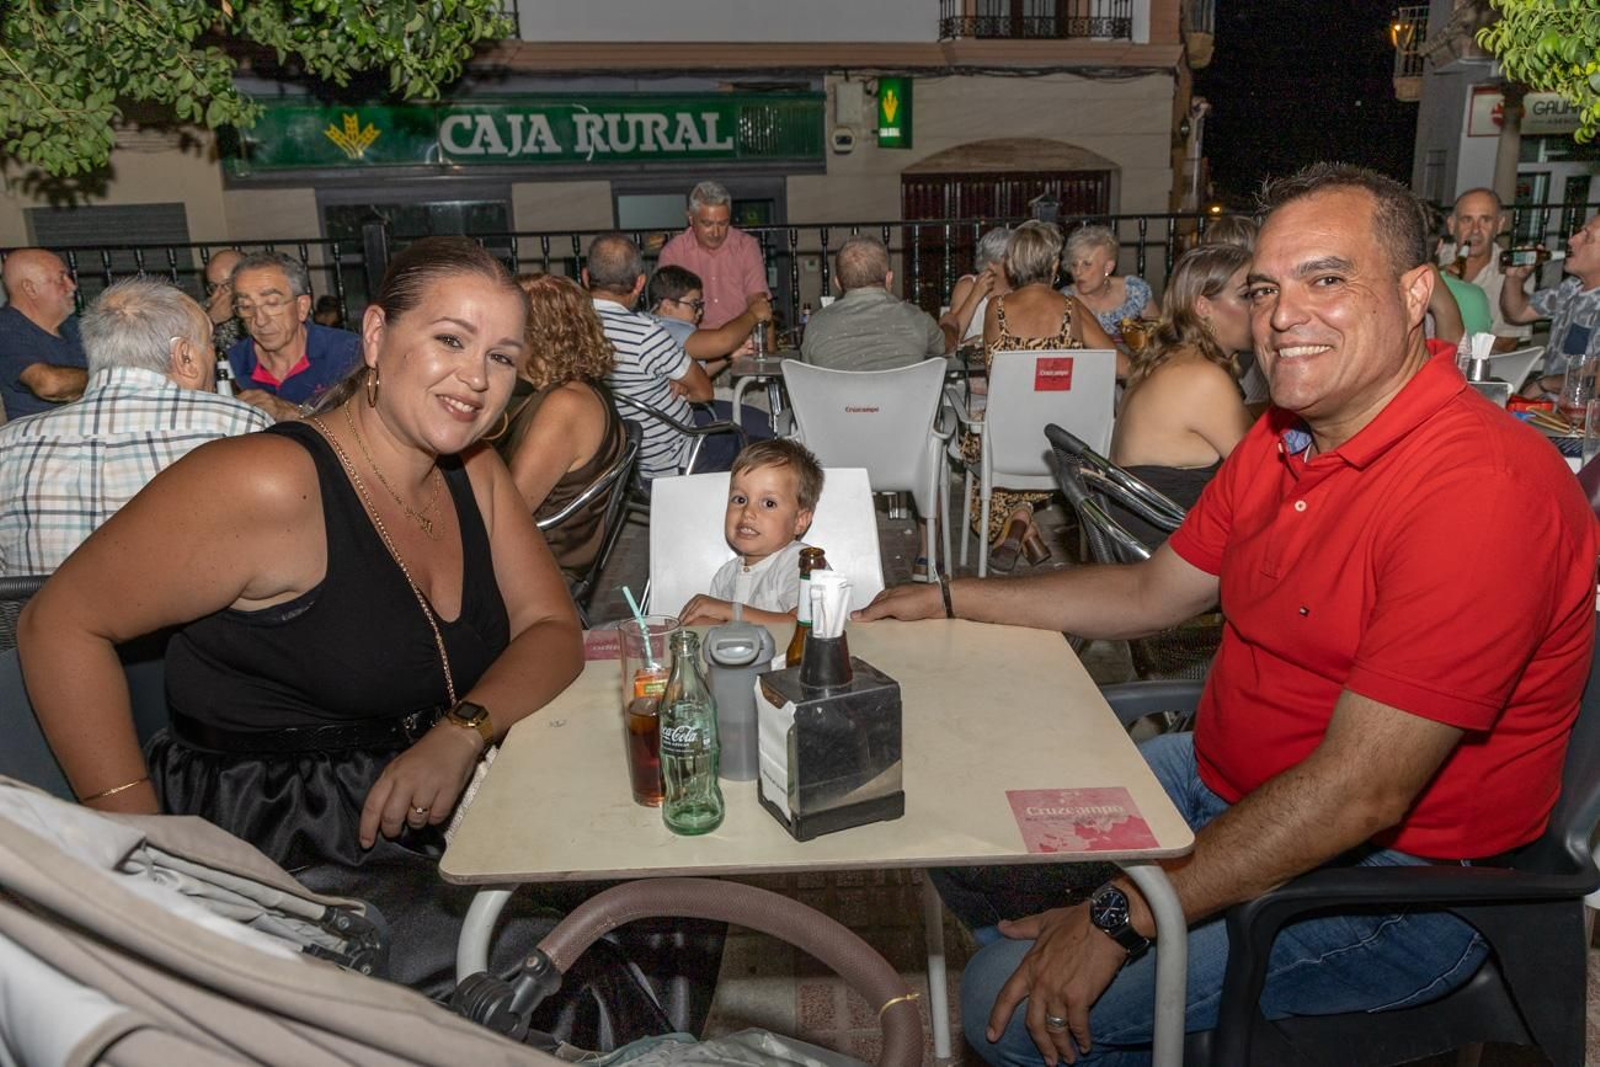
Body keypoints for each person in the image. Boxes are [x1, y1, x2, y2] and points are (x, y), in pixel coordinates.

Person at [858, 163, 1596, 1067]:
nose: (1283, 315)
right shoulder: (1286, 441)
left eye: (1326, 278)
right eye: (1264, 288)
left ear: (1415, 294)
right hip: (1216, 778)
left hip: (1391, 886)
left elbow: (1362, 790)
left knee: (1001, 1008)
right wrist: (948, 594)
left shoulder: (1476, 489)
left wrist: (1117, 912)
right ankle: (1080, 967)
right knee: (963, 835)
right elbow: (1147, 592)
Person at [19, 236, 586, 998]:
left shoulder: (475, 474)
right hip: (281, 836)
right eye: (451, 340)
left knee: (640, 910)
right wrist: (144, 853)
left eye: (504, 357)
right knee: (550, 968)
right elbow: (56, 624)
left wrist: (463, 729)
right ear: (378, 338)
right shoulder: (268, 481)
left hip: (432, 801)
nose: (477, 378)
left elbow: (553, 629)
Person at [0, 278, 270, 577]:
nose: (212, 352)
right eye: (209, 343)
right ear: (185, 356)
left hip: (41, 622)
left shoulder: (9, 444)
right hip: (195, 619)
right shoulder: (234, 425)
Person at [962, 221, 1118, 570]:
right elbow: (1117, 365)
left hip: (1007, 444)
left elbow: (994, 373)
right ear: (1052, 266)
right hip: (1059, 446)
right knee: (1042, 430)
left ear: (1013, 265)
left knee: (974, 439)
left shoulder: (996, 310)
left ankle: (1019, 522)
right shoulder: (1070, 309)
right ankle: (1023, 523)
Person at [585, 233, 767, 478]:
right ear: (639, 283)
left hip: (616, 462)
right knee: (767, 450)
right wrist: (754, 313)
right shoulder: (646, 333)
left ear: (586, 277)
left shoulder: (571, 329)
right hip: (675, 460)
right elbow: (704, 391)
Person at [1108, 245, 1254, 548]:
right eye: (1247, 295)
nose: (1263, 306)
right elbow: (1264, 473)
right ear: (1203, 306)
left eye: (1264, 292)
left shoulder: (1164, 359)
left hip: (1144, 534)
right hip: (1170, 551)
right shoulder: (1203, 378)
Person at [496, 272, 627, 578]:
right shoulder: (555, 389)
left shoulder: (566, 406)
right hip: (524, 552)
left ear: (536, 335)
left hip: (535, 569)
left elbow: (506, 510)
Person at [678, 439, 823, 627]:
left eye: (768, 503)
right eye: (739, 499)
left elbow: (804, 626)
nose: (747, 512)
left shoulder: (802, 563)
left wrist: (729, 610)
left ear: (799, 521)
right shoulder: (726, 576)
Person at [226, 251, 361, 421]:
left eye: (272, 303)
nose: (260, 320)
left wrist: (294, 413)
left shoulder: (347, 352)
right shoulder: (231, 366)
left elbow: (365, 427)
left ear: (302, 307)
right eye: (245, 306)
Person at [800, 235, 954, 371]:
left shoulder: (816, 325)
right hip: (903, 404)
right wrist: (949, 326)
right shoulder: (916, 319)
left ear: (838, 283)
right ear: (889, 278)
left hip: (838, 405)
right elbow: (946, 347)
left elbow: (807, 373)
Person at [1502, 213, 1600, 397]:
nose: (1572, 240)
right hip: (1549, 413)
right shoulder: (1572, 287)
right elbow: (1518, 312)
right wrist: (1514, 279)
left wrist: (1544, 384)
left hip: (1584, 420)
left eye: (1587, 237)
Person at [657, 180, 770, 330]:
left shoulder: (746, 246)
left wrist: (765, 350)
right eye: (707, 224)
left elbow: (759, 304)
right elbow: (670, 317)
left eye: (723, 224)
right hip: (693, 343)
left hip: (742, 338)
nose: (716, 233)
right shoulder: (674, 253)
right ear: (691, 218)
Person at [0, 248, 87, 419]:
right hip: (44, 438)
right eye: (61, 278)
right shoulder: (6, 330)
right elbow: (49, 384)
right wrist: (108, 379)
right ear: (30, 288)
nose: (72, 286)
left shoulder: (74, 325)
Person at [1445, 187, 1533, 351]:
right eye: (1467, 220)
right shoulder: (1433, 260)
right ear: (1451, 225)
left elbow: (1507, 342)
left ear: (1499, 225)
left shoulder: (1514, 271)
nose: (1476, 230)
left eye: (1485, 220)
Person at [647, 264, 769, 379]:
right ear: (668, 307)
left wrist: (727, 357)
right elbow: (723, 340)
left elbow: (700, 374)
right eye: (694, 304)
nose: (700, 312)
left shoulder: (653, 323)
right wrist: (753, 314)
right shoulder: (668, 328)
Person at [1060, 224, 1158, 347]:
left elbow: (1159, 340)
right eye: (1074, 264)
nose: (1078, 272)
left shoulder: (1135, 292)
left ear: (1108, 267)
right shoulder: (1065, 300)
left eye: (1087, 264)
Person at [941, 227, 1015, 347]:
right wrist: (975, 295)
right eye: (1012, 259)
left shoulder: (1020, 288)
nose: (1018, 263)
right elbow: (951, 340)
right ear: (992, 264)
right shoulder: (968, 285)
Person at [202, 249, 246, 356]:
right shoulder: (201, 312)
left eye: (227, 285)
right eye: (213, 286)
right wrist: (212, 319)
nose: (216, 295)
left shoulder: (265, 306)